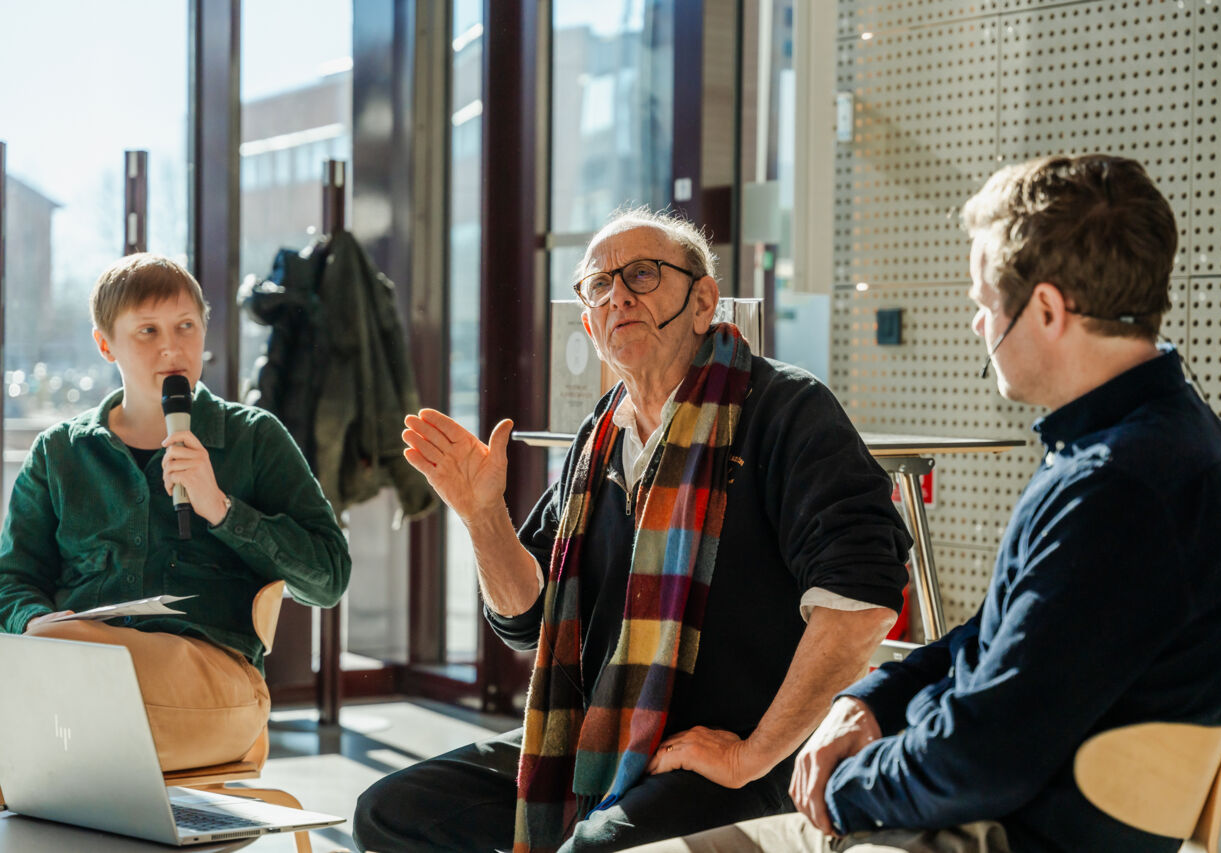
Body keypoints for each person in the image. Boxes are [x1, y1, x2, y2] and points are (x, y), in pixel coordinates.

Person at [620, 154, 1221, 853]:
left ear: (1047, 309)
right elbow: (998, 635)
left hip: (993, 834)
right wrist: (872, 698)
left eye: (986, 303)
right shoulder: (1169, 443)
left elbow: (982, 755)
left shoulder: (1117, 487)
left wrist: (842, 783)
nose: (977, 325)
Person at [353, 209, 913, 853]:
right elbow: (527, 620)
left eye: (642, 275)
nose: (618, 295)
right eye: (599, 285)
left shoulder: (785, 410)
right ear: (589, 324)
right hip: (602, 737)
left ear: (703, 301)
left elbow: (864, 597)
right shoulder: (597, 442)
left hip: (743, 755)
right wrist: (483, 515)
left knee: (596, 849)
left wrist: (753, 755)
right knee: (390, 813)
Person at [0, 253, 352, 773]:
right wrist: (35, 621)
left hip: (213, 683)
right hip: (73, 666)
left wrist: (223, 510)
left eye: (186, 326)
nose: (172, 347)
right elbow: (12, 581)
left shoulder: (254, 437)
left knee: (53, 687)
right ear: (105, 344)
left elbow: (329, 579)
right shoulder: (59, 453)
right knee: (56, 657)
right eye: (147, 331)